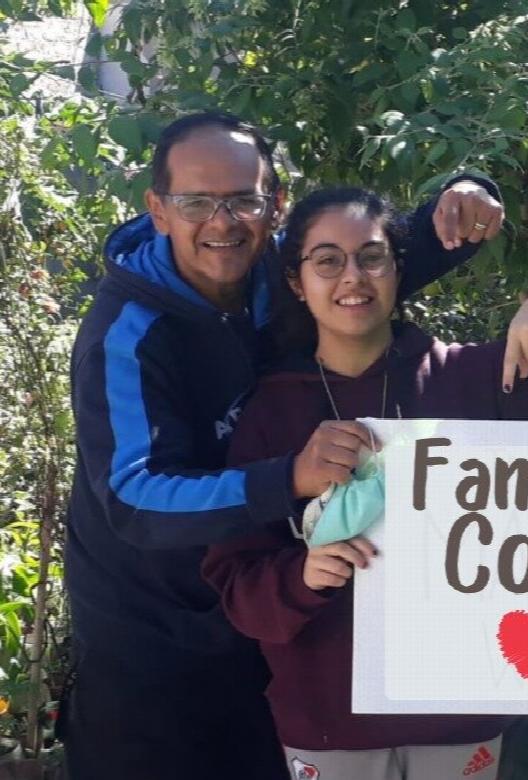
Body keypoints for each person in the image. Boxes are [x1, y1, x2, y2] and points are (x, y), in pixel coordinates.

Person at [62, 111, 504, 779]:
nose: (223, 221)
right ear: (157, 209)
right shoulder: (124, 335)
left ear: (274, 204)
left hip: (264, 613)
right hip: (148, 638)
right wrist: (287, 478)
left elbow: (373, 268)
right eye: (196, 202)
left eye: (243, 199)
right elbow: (132, 499)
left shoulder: (283, 278)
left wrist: (466, 195)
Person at [201, 187, 528, 780]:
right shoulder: (271, 411)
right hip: (331, 722)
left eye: (372, 256)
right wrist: (302, 576)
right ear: (296, 281)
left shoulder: (478, 379)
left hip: (461, 714)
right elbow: (235, 578)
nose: (352, 278)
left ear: (397, 268)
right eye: (328, 260)